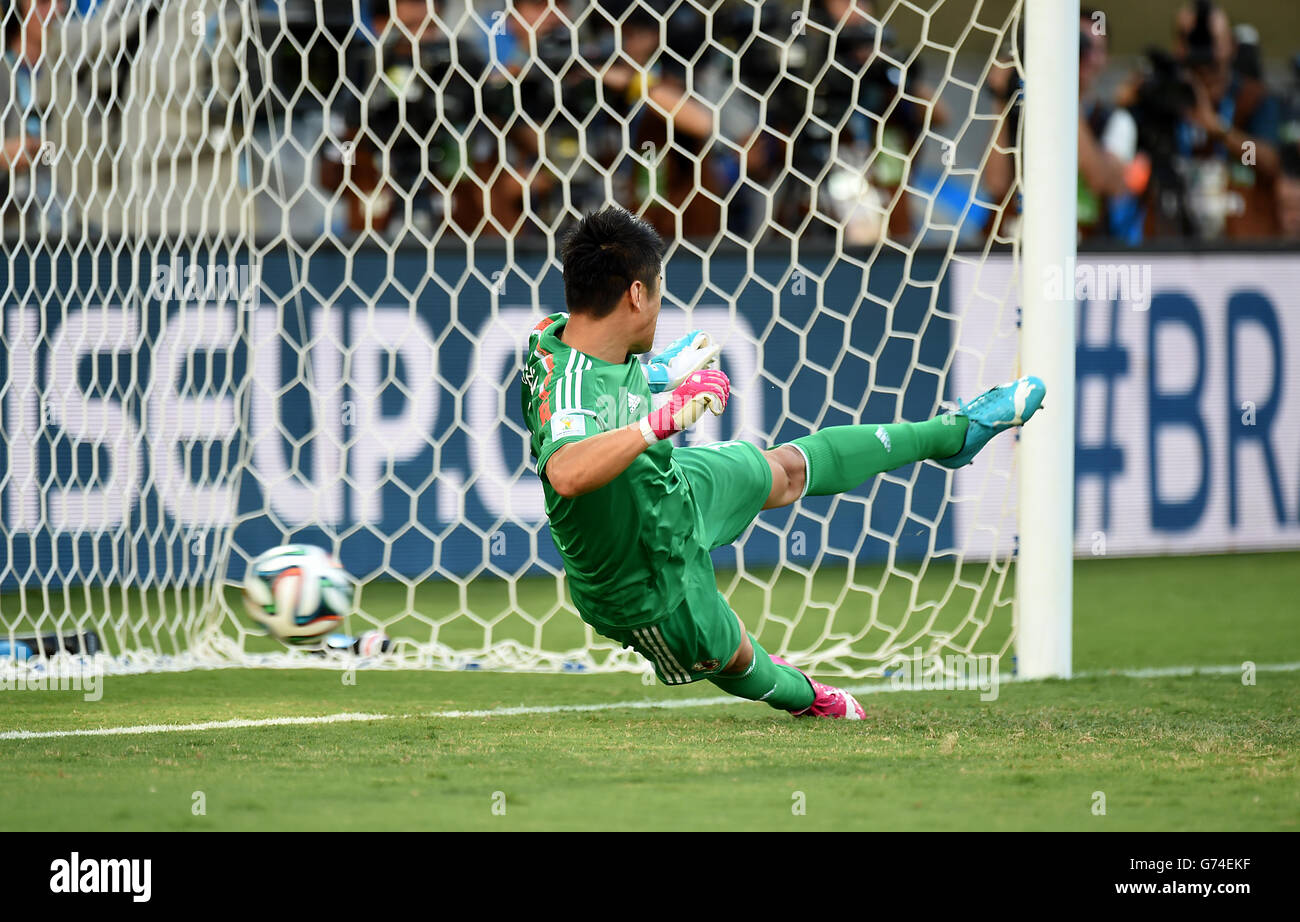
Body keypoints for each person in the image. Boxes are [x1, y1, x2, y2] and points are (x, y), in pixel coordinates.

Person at [519, 205, 1046, 718]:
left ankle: (953, 434)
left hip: (667, 487)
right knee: (732, 657)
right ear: (636, 294)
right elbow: (567, 470)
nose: (659, 304)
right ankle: (805, 694)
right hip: (640, 578)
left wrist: (658, 374)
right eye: (657, 290)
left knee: (785, 471)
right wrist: (667, 416)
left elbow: (597, 388)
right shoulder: (569, 387)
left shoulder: (555, 332)